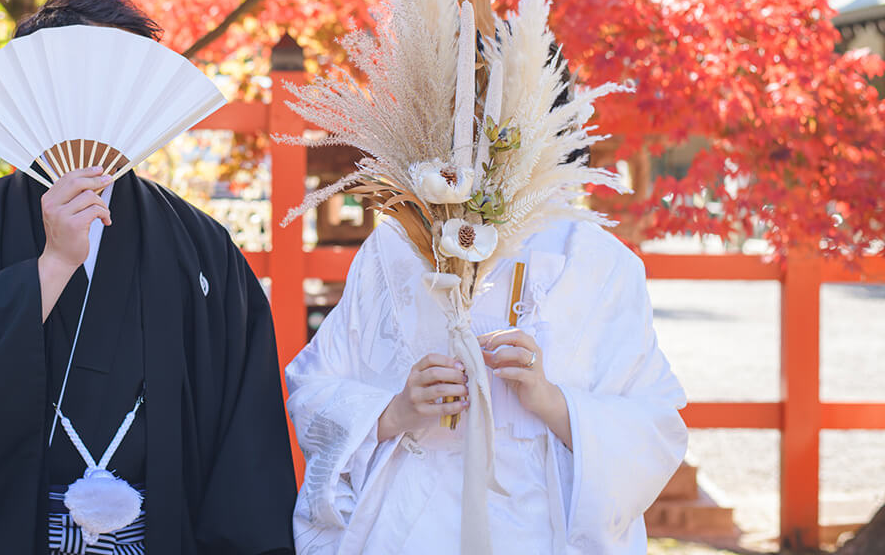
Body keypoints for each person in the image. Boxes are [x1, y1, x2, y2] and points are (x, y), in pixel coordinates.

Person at [0, 0, 297, 555]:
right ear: (35, 88)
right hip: (13, 531)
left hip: (160, 531)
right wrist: (51, 266)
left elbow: (244, 430)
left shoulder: (200, 245)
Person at [286, 213, 688, 554]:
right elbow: (315, 384)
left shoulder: (603, 262)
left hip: (543, 524)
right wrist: (394, 412)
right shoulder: (396, 246)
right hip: (411, 520)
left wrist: (552, 402)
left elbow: (654, 426)